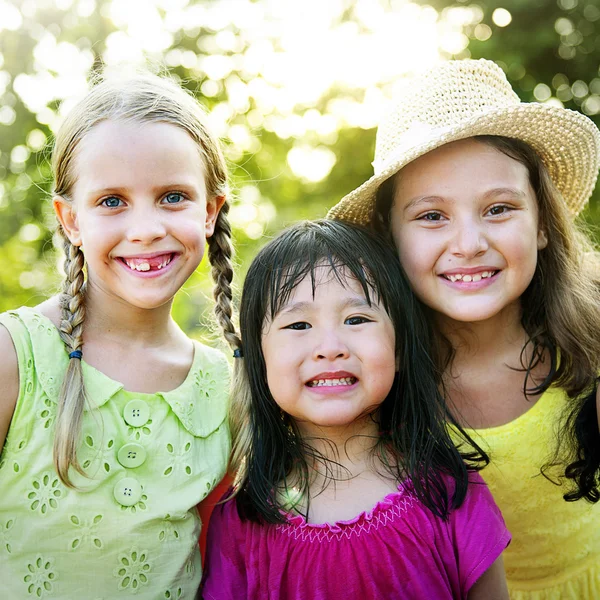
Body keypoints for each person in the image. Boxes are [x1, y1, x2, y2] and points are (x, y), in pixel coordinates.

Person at [328, 58, 600, 598]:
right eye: (432, 216)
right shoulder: (369, 379)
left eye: (498, 209)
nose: (469, 243)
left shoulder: (590, 342)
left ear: (542, 223)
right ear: (390, 235)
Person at [0, 71, 240, 598]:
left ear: (210, 210)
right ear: (71, 221)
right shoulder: (15, 354)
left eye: (173, 196)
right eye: (111, 201)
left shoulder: (224, 387)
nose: (146, 228)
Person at [202, 219, 510, 599]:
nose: (330, 347)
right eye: (298, 325)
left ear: (399, 349)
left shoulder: (453, 495)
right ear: (258, 360)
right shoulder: (239, 521)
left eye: (356, 319)